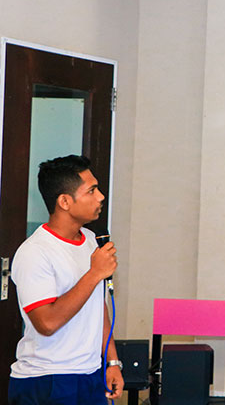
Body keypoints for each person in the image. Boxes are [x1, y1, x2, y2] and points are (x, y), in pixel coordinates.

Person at [8, 155, 123, 404]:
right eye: (91, 190)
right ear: (64, 202)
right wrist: (94, 274)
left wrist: (112, 361)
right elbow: (47, 323)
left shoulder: (91, 240)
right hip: (47, 379)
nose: (101, 196)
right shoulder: (35, 252)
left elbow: (98, 307)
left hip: (91, 374)